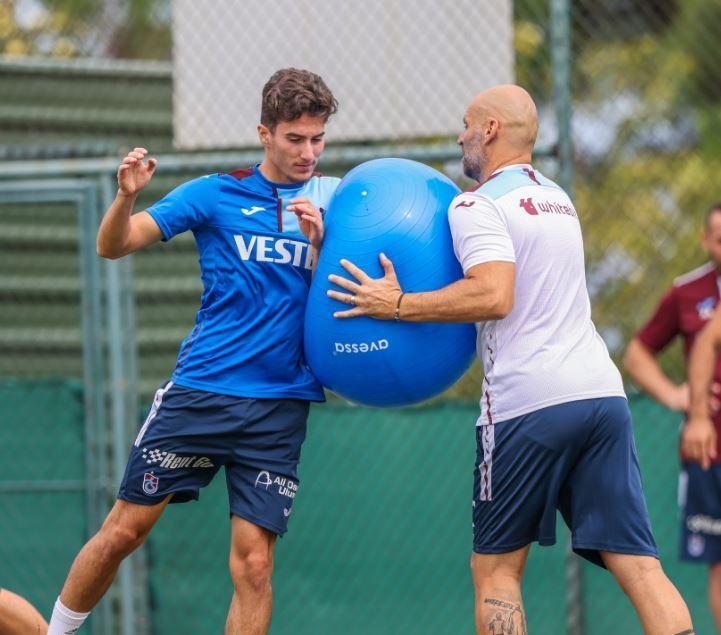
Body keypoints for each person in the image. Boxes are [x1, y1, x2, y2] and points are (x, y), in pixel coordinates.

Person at [326, 84, 693, 634]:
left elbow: (494, 294)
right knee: (640, 565)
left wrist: (396, 303)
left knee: (496, 571)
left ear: (490, 130)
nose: (460, 135)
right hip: (600, 396)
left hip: (529, 404)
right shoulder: (556, 197)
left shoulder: (476, 203)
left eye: (466, 123)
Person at [46, 68, 339, 635]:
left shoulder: (338, 201)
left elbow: (356, 290)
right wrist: (125, 198)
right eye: (294, 138)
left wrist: (324, 246)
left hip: (280, 407)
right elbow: (115, 246)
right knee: (123, 534)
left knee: (255, 566)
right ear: (264, 133)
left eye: (318, 138)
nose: (308, 152)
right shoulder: (215, 192)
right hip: (202, 394)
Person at [624, 204, 721, 631]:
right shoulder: (688, 292)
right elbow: (637, 353)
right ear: (706, 241)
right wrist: (683, 400)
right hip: (710, 447)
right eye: (719, 236)